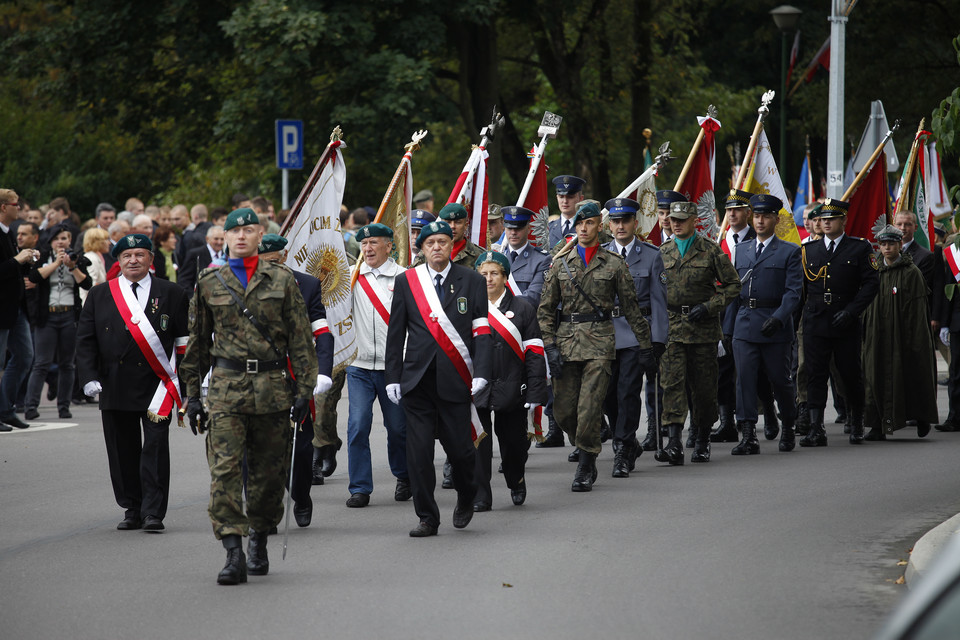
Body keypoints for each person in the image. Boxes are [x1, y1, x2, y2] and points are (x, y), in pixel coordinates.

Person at [180, 208, 317, 585]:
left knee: (268, 473)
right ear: (225, 237)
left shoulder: (283, 280)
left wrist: (305, 389)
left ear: (261, 234)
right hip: (226, 389)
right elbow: (197, 343)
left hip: (272, 389)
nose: (241, 236)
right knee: (224, 471)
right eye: (234, 230)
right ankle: (232, 551)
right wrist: (192, 395)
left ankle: (259, 538)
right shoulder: (210, 281)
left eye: (248, 230)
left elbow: (301, 338)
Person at [75, 233, 189, 531]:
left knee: (154, 448)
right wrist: (88, 377)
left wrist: (187, 383)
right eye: (127, 256)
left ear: (151, 259)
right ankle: (132, 507)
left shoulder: (173, 293)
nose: (133, 260)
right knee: (122, 449)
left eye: (139, 254)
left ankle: (153, 512)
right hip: (114, 383)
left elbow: (184, 342)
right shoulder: (100, 294)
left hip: (157, 384)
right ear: (118, 261)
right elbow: (85, 341)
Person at [384, 219, 491, 537]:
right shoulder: (407, 281)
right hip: (417, 380)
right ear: (422, 248)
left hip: (455, 379)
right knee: (417, 454)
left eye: (442, 242)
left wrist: (482, 372)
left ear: (451, 245)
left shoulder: (471, 280)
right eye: (430, 243)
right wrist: (393, 376)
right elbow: (396, 332)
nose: (436, 248)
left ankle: (466, 497)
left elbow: (481, 330)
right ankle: (427, 517)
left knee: (461, 452)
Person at [538, 201, 653, 490]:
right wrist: (549, 346)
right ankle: (587, 441)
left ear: (598, 227)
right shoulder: (560, 264)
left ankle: (586, 465)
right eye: (579, 224)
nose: (584, 228)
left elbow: (632, 308)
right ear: (575, 227)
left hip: (601, 344)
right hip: (566, 343)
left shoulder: (613, 264)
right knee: (564, 411)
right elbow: (545, 309)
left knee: (590, 408)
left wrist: (646, 345)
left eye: (589, 223)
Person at [257, 234, 333, 525]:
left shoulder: (308, 285)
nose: (268, 266)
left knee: (301, 451)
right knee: (261, 450)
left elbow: (322, 332)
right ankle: (266, 513)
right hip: (257, 378)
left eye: (274, 260)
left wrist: (323, 371)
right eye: (262, 262)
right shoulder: (242, 283)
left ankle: (301, 495)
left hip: (294, 377)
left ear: (285, 255)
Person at [657, 201, 741, 464]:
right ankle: (674, 444)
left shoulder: (710, 251)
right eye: (673, 218)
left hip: (703, 330)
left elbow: (733, 285)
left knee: (704, 389)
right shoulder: (662, 252)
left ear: (694, 220)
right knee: (671, 386)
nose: (676, 223)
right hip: (672, 328)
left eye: (682, 218)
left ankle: (702, 439)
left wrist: (709, 307)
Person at [723, 194, 802, 453]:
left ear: (775, 220)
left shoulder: (789, 251)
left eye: (766, 216)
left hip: (774, 325)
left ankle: (788, 425)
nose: (760, 220)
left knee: (780, 380)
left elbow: (793, 293)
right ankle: (748, 436)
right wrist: (728, 329)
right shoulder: (741, 250)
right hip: (745, 324)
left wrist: (779, 319)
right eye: (756, 216)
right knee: (744, 380)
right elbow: (735, 291)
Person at [799, 198, 879, 446]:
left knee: (849, 373)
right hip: (815, 320)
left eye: (831, 219)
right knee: (815, 374)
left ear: (843, 220)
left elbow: (871, 283)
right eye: (822, 219)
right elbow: (801, 290)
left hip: (845, 320)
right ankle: (816, 427)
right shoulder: (808, 250)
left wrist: (853, 311)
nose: (825, 223)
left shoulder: (859, 248)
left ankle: (856, 421)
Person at [472, 251, 547, 509]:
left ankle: (517, 479)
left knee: (513, 445)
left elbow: (535, 353)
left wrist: (536, 392)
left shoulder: (523, 308)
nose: (489, 279)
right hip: (478, 388)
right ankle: (481, 494)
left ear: (505, 277)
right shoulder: (469, 306)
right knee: (478, 444)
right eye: (483, 274)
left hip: (514, 388)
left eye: (494, 273)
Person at [601, 197, 668, 474]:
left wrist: (657, 341)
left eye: (625, 220)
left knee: (628, 392)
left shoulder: (652, 256)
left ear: (635, 223)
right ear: (609, 224)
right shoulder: (600, 254)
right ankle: (625, 438)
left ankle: (624, 448)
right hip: (604, 335)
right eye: (615, 221)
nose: (620, 226)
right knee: (606, 396)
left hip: (636, 334)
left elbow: (659, 302)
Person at [345, 223, 410, 508]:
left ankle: (404, 475)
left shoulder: (405, 278)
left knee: (397, 427)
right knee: (358, 425)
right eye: (364, 244)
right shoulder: (351, 277)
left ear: (388, 245)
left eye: (373, 243)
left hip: (393, 367)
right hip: (359, 365)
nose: (368, 249)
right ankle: (360, 487)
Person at [862, 225, 938, 439]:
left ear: (899, 246)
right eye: (883, 244)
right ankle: (878, 426)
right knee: (874, 377)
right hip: (877, 333)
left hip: (904, 334)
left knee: (912, 376)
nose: (887, 248)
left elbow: (918, 309)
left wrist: (915, 339)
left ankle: (922, 418)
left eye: (891, 244)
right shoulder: (873, 270)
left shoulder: (911, 272)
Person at [23, 224, 91, 420]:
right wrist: (56, 264)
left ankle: (64, 406)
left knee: (67, 364)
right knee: (41, 362)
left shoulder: (77, 258)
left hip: (69, 315)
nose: (61, 242)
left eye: (65, 238)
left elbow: (86, 284)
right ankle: (31, 406)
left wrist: (72, 267)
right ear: (51, 241)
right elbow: (34, 277)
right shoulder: (43, 257)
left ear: (70, 240)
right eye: (57, 238)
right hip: (48, 316)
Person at [0, 189, 37, 431]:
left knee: (24, 356)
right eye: (16, 204)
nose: (20, 209)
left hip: (15, 307)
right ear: (4, 207)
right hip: (2, 309)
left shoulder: (9, 233)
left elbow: (12, 271)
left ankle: (6, 408)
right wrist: (17, 260)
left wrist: (27, 261)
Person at [501, 206, 551, 308]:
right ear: (504, 228)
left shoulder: (542, 259)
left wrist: (502, 305)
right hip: (497, 320)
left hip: (525, 319)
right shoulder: (497, 257)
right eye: (510, 228)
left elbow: (533, 297)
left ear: (528, 229)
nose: (513, 232)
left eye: (518, 228)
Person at [411, 203, 482, 269]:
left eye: (458, 222)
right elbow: (414, 278)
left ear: (465, 225)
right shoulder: (427, 253)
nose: (452, 226)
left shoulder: (479, 255)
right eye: (448, 222)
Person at [180, 225, 225, 295]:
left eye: (222, 239)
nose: (219, 242)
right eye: (216, 239)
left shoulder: (228, 256)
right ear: (207, 239)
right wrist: (193, 299)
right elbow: (184, 280)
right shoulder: (195, 254)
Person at [547, 175, 586, 249]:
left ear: (581, 199)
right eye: (561, 197)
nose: (565, 201)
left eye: (570, 197)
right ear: (557, 198)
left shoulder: (586, 228)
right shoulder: (548, 229)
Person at [80, 227, 110, 303]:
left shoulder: (97, 257)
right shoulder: (92, 258)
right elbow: (89, 286)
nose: (109, 242)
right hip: (90, 304)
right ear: (97, 242)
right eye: (106, 239)